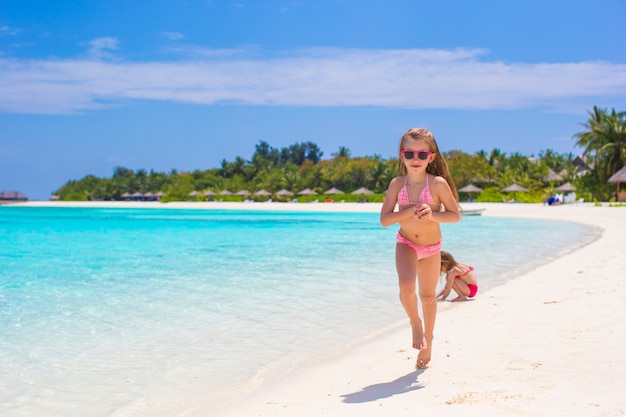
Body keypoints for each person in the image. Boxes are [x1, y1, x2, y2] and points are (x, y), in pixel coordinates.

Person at [380, 128, 461, 369]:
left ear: (431, 157)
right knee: (406, 288)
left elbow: (454, 216)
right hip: (406, 243)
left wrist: (433, 213)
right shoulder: (397, 184)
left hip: (431, 248)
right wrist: (407, 211)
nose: (415, 159)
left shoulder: (437, 184)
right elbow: (385, 220)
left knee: (427, 296)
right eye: (409, 153)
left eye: (422, 155)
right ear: (401, 156)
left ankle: (430, 340)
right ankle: (416, 325)